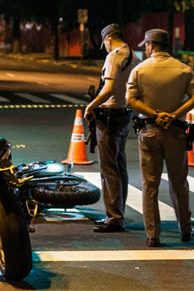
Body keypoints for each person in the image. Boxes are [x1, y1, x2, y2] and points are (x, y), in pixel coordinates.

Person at [126, 29, 194, 247]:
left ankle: (153, 235)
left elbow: (131, 100)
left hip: (149, 131)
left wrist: (154, 114)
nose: (145, 48)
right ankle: (185, 230)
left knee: (150, 185)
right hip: (175, 131)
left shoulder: (140, 70)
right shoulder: (183, 69)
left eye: (146, 45)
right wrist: (174, 114)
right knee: (179, 183)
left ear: (150, 44)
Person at [84, 23, 140, 233]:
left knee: (109, 169)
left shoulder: (114, 56)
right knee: (119, 165)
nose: (105, 48)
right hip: (125, 114)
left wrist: (91, 105)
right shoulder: (134, 57)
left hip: (109, 116)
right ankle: (118, 212)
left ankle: (114, 217)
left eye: (105, 44)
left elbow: (108, 89)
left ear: (108, 39)